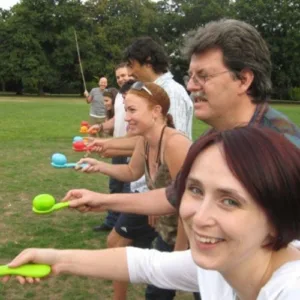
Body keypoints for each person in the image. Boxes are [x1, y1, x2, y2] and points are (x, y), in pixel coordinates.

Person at [5, 127, 300, 300]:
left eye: (230, 201)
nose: (198, 217)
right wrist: (56, 259)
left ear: (277, 218)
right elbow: (147, 264)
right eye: (195, 190)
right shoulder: (226, 263)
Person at [69, 19, 300, 222]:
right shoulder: (212, 138)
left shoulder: (284, 148)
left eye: (204, 76)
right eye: (191, 76)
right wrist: (100, 200)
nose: (190, 86)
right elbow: (176, 194)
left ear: (243, 80)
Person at [77, 82, 192, 300]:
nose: (126, 117)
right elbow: (132, 171)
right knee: (156, 293)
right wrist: (99, 166)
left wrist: (180, 253)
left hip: (195, 240)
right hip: (166, 233)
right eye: (126, 110)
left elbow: (188, 203)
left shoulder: (175, 144)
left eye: (132, 110)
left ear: (156, 111)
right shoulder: (145, 140)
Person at [91, 65, 131, 233]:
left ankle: (125, 225)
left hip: (131, 149)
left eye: (124, 75)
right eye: (118, 77)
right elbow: (116, 120)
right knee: (115, 186)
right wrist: (100, 127)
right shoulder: (121, 98)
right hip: (118, 147)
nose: (121, 79)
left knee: (129, 190)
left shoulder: (136, 95)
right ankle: (111, 222)